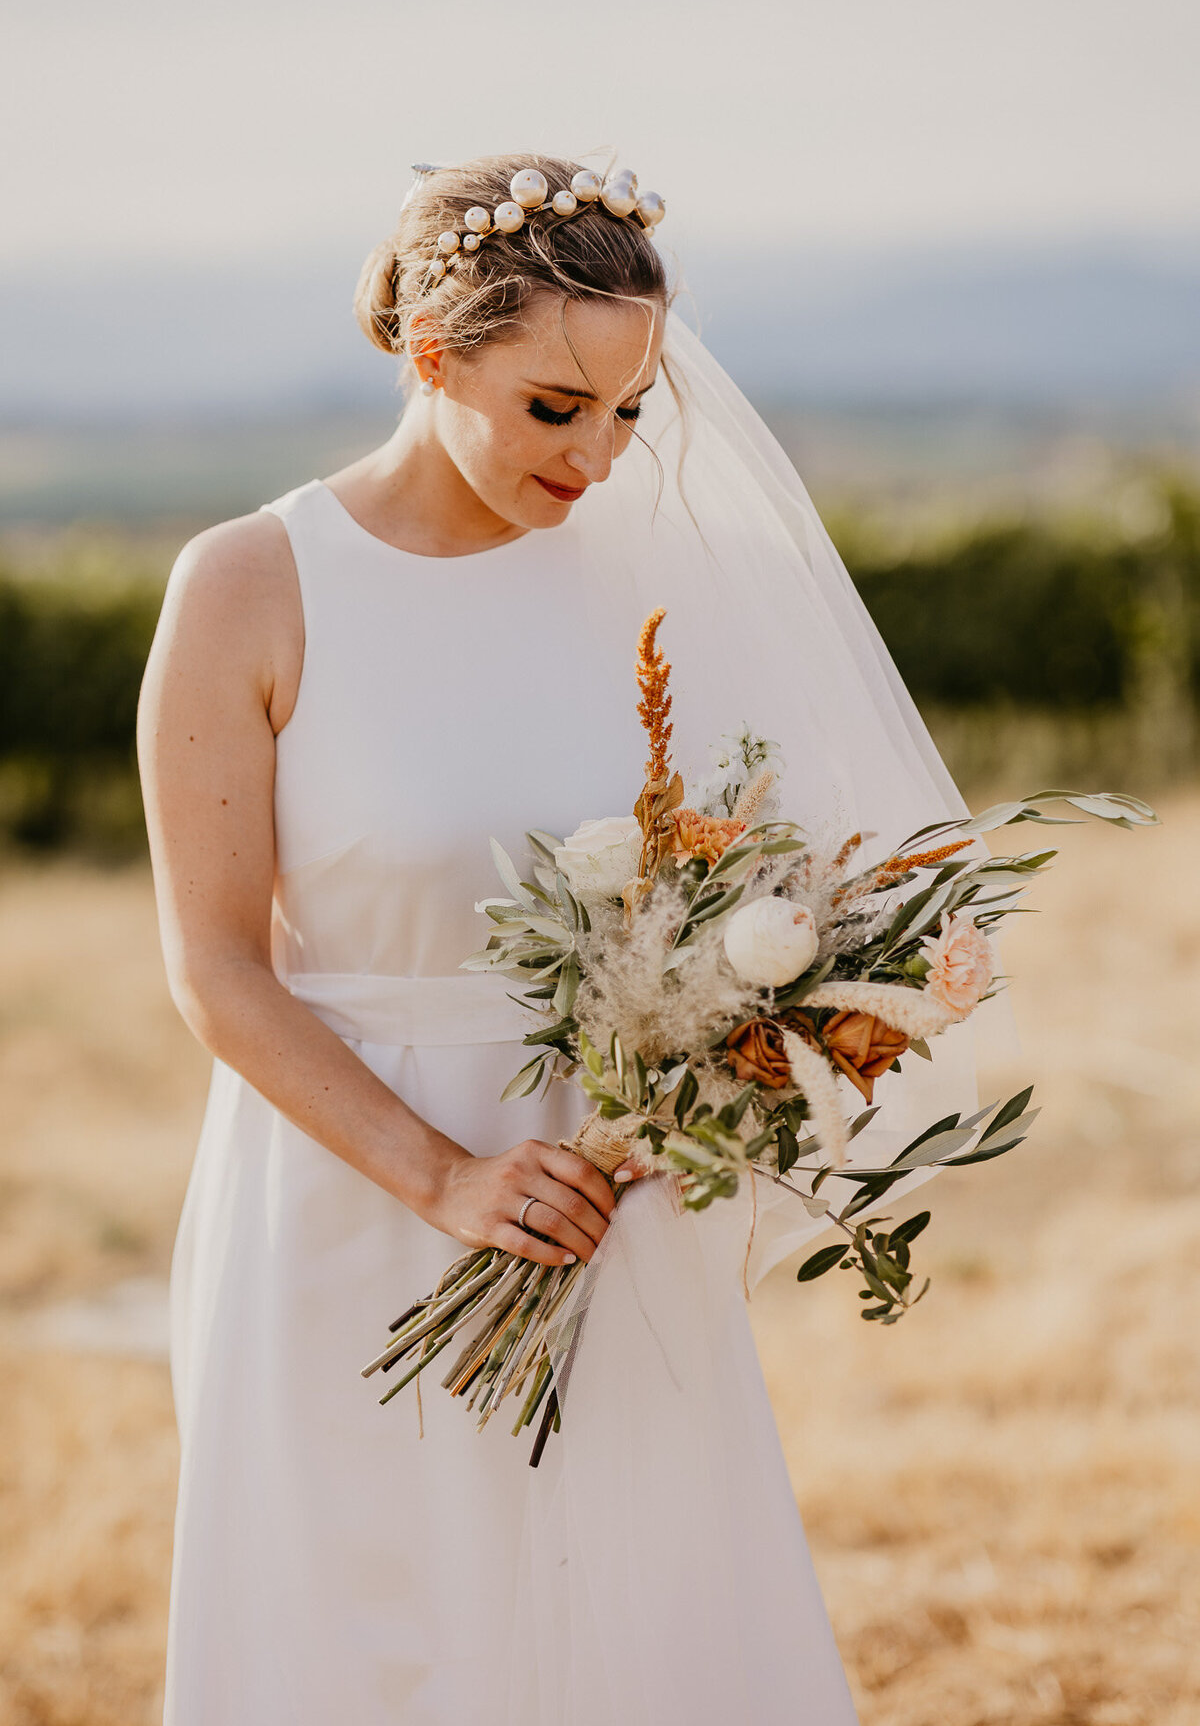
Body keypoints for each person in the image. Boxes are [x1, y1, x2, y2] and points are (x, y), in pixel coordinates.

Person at [139, 151, 974, 1725]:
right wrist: (441, 1177)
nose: (598, 455)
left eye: (629, 412)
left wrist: (724, 1060)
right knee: (365, 1632)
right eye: (553, 407)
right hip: (340, 1196)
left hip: (609, 1192)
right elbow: (217, 971)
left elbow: (762, 885)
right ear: (431, 350)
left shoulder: (653, 590)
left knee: (634, 1624)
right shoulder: (253, 584)